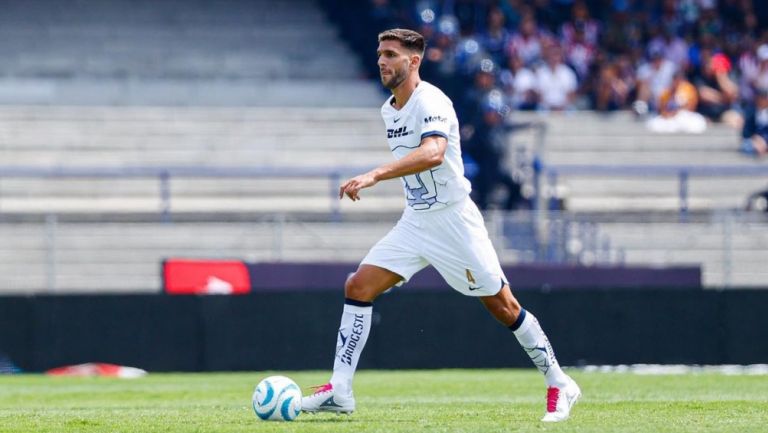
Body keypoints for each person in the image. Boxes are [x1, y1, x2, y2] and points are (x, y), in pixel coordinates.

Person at [301, 28, 580, 423]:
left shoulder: (432, 100)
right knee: (358, 286)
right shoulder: (389, 110)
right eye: (380, 53)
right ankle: (341, 390)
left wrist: (375, 175)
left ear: (413, 61)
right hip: (416, 220)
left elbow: (434, 153)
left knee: (502, 305)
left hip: (454, 220)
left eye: (391, 54)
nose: (382, 60)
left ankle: (560, 381)